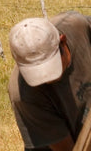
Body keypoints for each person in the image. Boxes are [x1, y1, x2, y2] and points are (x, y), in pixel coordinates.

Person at [9, 12, 91, 151]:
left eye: (51, 67)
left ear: (63, 42)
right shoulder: (22, 94)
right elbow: (65, 148)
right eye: (36, 73)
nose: (46, 78)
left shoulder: (78, 26)